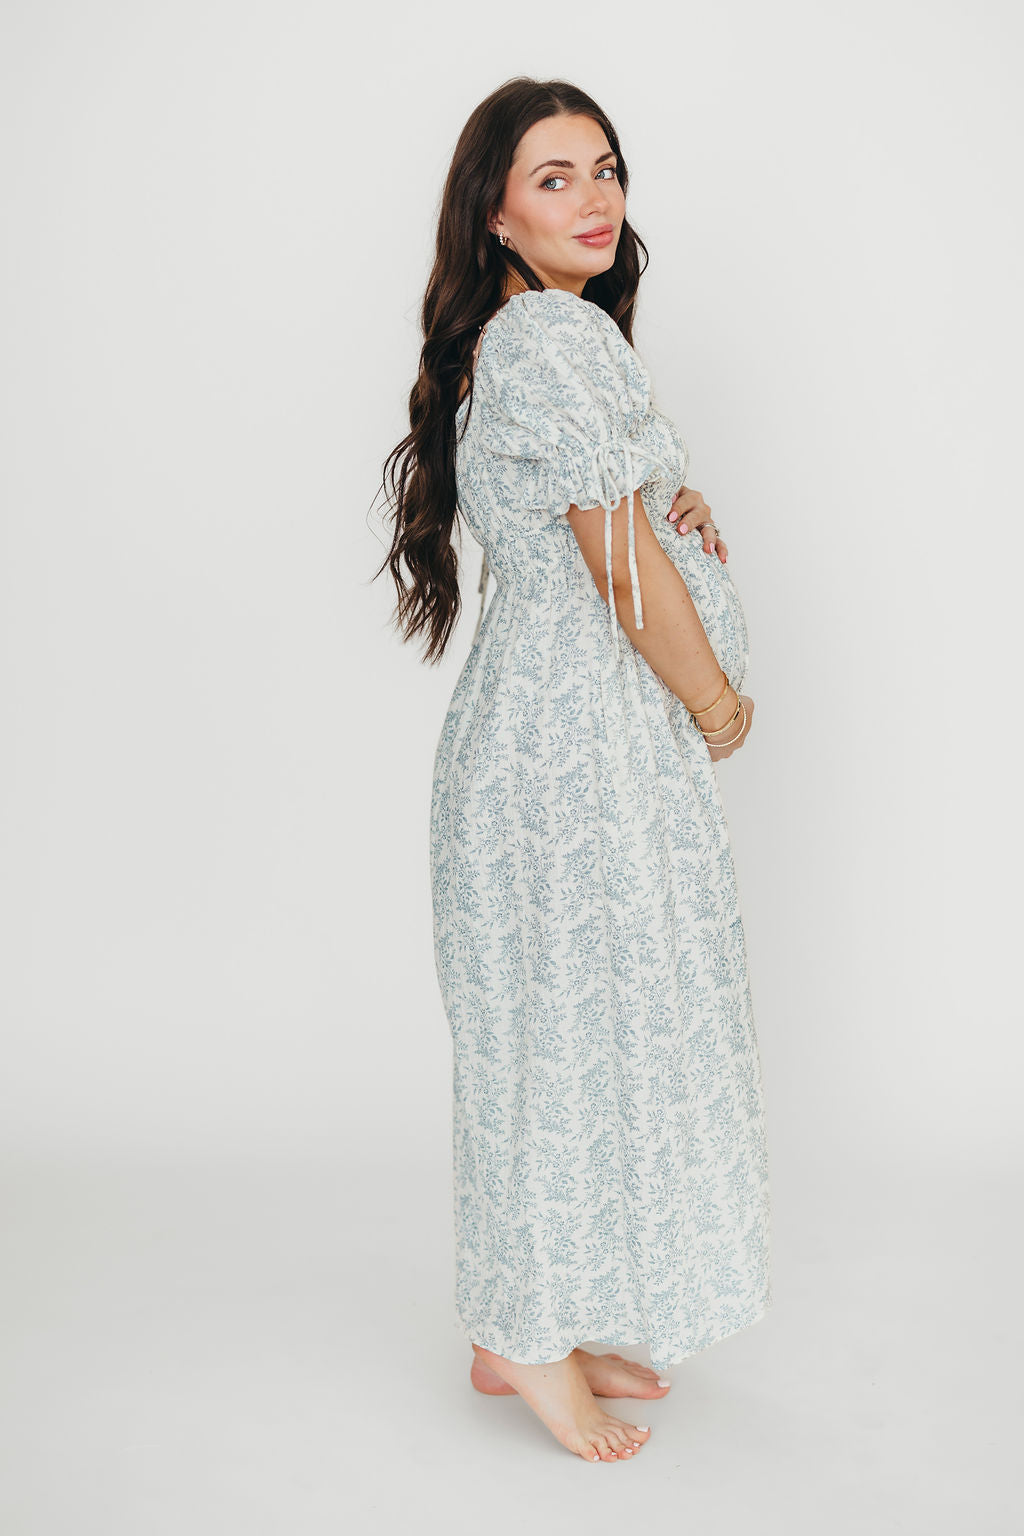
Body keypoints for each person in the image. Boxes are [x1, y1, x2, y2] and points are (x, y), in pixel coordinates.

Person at [376, 78, 771, 1465]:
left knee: (569, 1032)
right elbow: (617, 565)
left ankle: (540, 1312)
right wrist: (714, 701)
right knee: (559, 1038)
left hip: (554, 745)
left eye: (605, 168)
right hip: (567, 757)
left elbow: (604, 519)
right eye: (554, 178)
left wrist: (667, 496)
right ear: (494, 212)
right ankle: (523, 1337)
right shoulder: (551, 337)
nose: (595, 198)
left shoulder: (533, 335)